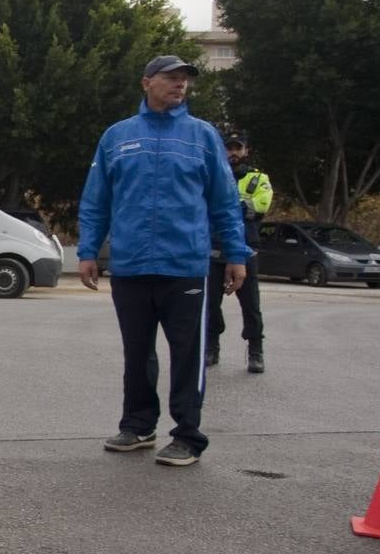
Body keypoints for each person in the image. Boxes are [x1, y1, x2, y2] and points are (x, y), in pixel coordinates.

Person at [76, 55, 250, 467]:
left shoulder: (202, 136)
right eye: (171, 78)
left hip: (185, 265)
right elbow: (96, 199)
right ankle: (138, 424)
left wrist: (235, 254)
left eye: (185, 79)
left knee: (187, 353)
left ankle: (188, 435)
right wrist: (88, 251)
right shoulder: (117, 137)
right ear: (147, 82)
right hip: (132, 264)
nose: (180, 85)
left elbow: (225, 203)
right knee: (137, 351)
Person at [206, 133, 272, 372]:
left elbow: (261, 206)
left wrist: (227, 208)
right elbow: (204, 209)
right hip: (214, 247)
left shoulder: (257, 178)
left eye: (238, 148)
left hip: (246, 248)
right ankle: (211, 346)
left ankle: (256, 350)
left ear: (246, 151)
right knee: (210, 304)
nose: (233, 152)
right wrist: (238, 207)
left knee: (251, 305)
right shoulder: (212, 175)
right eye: (229, 148)